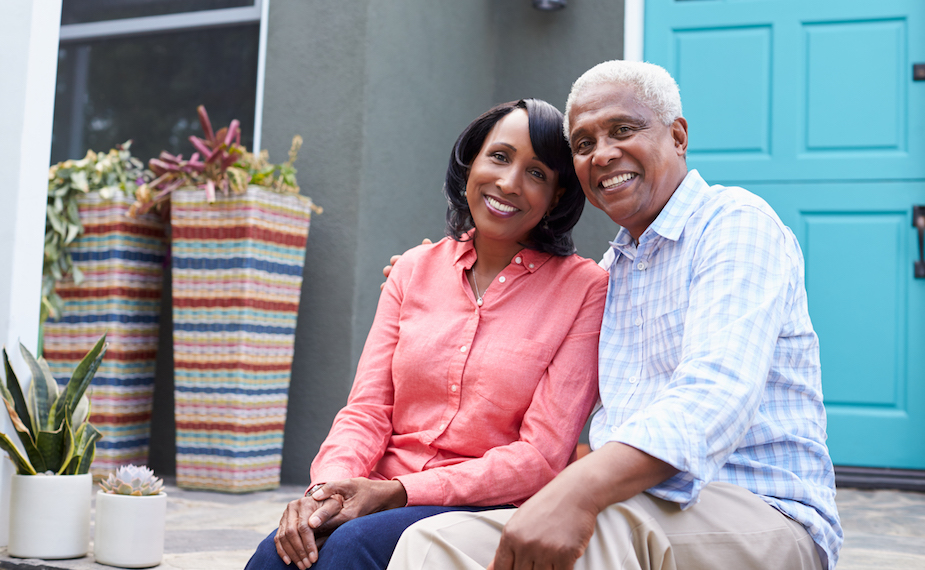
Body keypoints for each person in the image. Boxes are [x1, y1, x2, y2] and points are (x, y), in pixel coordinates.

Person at [386, 61, 843, 570]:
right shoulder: (612, 272)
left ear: (677, 136)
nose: (602, 154)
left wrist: (578, 490)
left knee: (546, 539)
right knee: (433, 541)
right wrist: (440, 285)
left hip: (759, 508)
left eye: (623, 130)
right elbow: (515, 344)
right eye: (583, 144)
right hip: (638, 502)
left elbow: (715, 395)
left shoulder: (734, 223)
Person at [244, 98, 607, 570]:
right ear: (472, 160)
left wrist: (399, 493)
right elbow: (368, 410)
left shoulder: (584, 289)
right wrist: (327, 490)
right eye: (499, 157)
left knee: (352, 550)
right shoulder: (413, 269)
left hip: (485, 505)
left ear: (557, 195)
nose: (509, 182)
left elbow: (539, 456)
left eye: (537, 173)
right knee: (278, 554)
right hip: (377, 489)